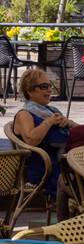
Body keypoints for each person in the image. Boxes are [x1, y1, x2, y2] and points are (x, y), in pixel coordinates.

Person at [12, 67, 71, 200]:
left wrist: (69, 123)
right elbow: (31, 139)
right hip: (45, 169)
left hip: (63, 163)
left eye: (50, 85)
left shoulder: (50, 111)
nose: (49, 90)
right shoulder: (25, 114)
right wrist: (49, 122)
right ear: (29, 91)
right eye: (44, 86)